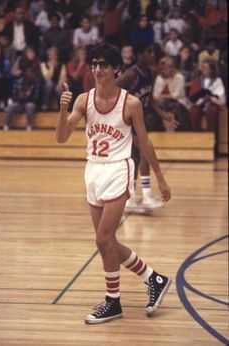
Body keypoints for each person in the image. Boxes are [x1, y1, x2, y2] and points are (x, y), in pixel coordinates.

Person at [56, 43, 171, 324]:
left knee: (103, 239)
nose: (97, 70)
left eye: (103, 65)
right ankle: (153, 277)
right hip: (93, 171)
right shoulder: (83, 100)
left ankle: (113, 302)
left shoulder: (130, 103)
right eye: (94, 64)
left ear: (116, 69)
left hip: (119, 169)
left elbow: (144, 142)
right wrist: (63, 108)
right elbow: (61, 137)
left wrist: (160, 178)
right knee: (106, 242)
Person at [116, 43, 178, 211]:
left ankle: (129, 198)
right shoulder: (131, 74)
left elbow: (149, 99)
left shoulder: (149, 73)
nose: (152, 55)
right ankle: (147, 194)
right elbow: (111, 89)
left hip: (140, 120)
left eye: (152, 52)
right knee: (145, 152)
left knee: (135, 158)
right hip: (126, 121)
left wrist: (164, 115)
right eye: (148, 51)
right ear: (139, 55)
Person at [4, 66, 40, 130]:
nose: (30, 74)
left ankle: (29, 125)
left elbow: (36, 98)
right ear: (25, 73)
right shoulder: (18, 82)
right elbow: (13, 96)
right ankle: (6, 125)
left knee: (30, 106)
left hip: (29, 103)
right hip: (19, 103)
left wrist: (25, 97)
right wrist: (22, 97)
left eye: (31, 72)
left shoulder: (35, 83)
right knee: (11, 106)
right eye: (28, 72)